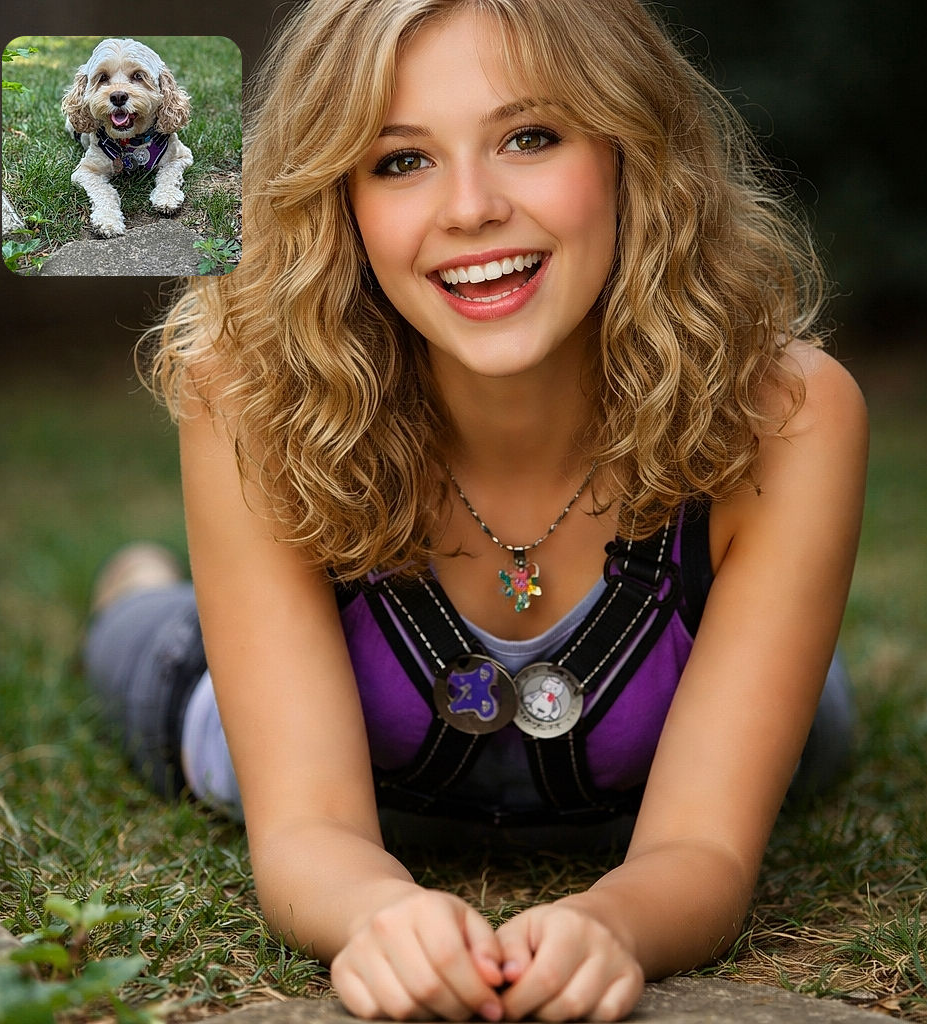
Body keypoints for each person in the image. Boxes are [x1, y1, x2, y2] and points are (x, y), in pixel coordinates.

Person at [84, 0, 868, 1019]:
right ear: (338, 199)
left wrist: (613, 921)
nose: (469, 208)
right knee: (149, 644)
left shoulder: (788, 416)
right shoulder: (247, 393)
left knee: (817, 714)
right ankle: (142, 587)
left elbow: (703, 850)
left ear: (634, 150)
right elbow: (306, 830)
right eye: (400, 160)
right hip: (246, 700)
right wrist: (373, 909)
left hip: (686, 698)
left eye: (530, 137)